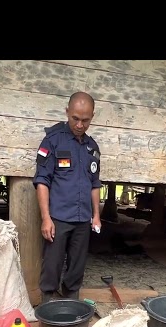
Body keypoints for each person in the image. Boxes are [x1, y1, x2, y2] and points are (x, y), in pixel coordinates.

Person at [33, 91, 102, 302]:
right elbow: (42, 181)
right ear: (67, 112)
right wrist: (46, 218)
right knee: (52, 262)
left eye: (85, 120)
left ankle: (71, 296)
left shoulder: (92, 148)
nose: (80, 125)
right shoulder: (52, 141)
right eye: (75, 118)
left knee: (77, 263)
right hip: (59, 217)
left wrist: (96, 215)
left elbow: (95, 184)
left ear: (91, 117)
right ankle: (48, 298)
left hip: (83, 218)